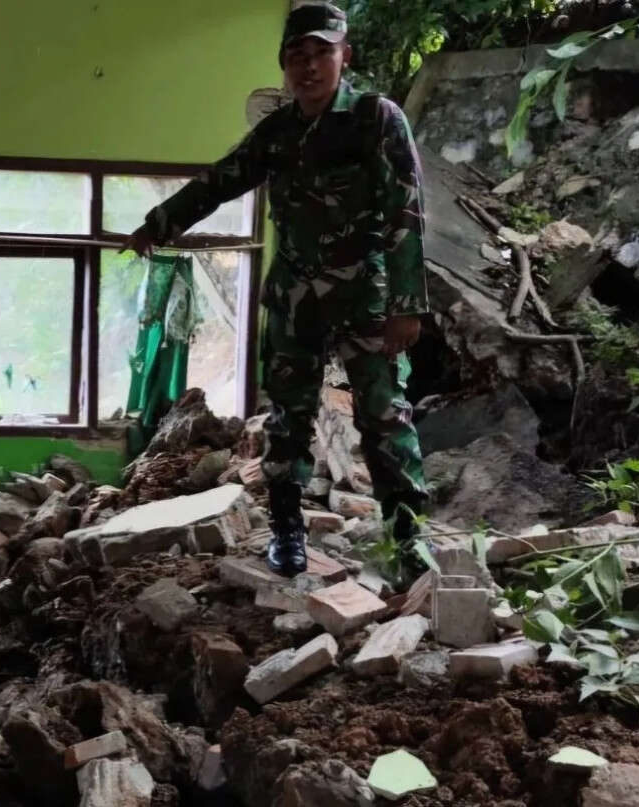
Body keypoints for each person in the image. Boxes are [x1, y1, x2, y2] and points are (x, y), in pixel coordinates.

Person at [124, 1, 430, 576]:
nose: (309, 67)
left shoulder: (375, 118)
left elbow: (407, 212)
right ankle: (287, 533)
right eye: (297, 56)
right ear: (284, 66)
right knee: (288, 421)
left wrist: (408, 305)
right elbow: (221, 179)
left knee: (385, 418)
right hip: (294, 300)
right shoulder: (278, 132)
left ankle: (408, 542)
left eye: (321, 53)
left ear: (345, 57)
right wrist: (157, 224)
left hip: (365, 293)